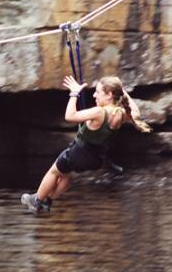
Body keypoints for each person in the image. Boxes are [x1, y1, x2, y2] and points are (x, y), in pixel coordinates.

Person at [21, 75, 151, 214]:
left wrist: (74, 93)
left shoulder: (99, 112)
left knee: (54, 172)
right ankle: (48, 200)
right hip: (95, 160)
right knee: (66, 175)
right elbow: (136, 112)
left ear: (109, 95)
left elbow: (69, 116)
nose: (94, 95)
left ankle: (37, 201)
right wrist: (123, 92)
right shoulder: (121, 114)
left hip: (78, 153)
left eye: (98, 92)